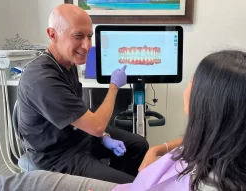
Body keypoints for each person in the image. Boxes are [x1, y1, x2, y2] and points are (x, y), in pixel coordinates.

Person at [112, 50, 246, 190]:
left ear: (209, 104)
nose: (186, 90)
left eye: (192, 83)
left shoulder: (212, 184)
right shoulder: (238, 143)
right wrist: (158, 149)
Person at [17, 4, 148, 184]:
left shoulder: (67, 64)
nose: (87, 45)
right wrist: (114, 86)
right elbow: (96, 126)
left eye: (90, 36)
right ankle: (118, 185)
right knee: (129, 186)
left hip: (77, 137)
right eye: (78, 36)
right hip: (58, 156)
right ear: (52, 34)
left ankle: (110, 184)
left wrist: (104, 138)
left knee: (139, 146)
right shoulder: (42, 79)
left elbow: (82, 118)